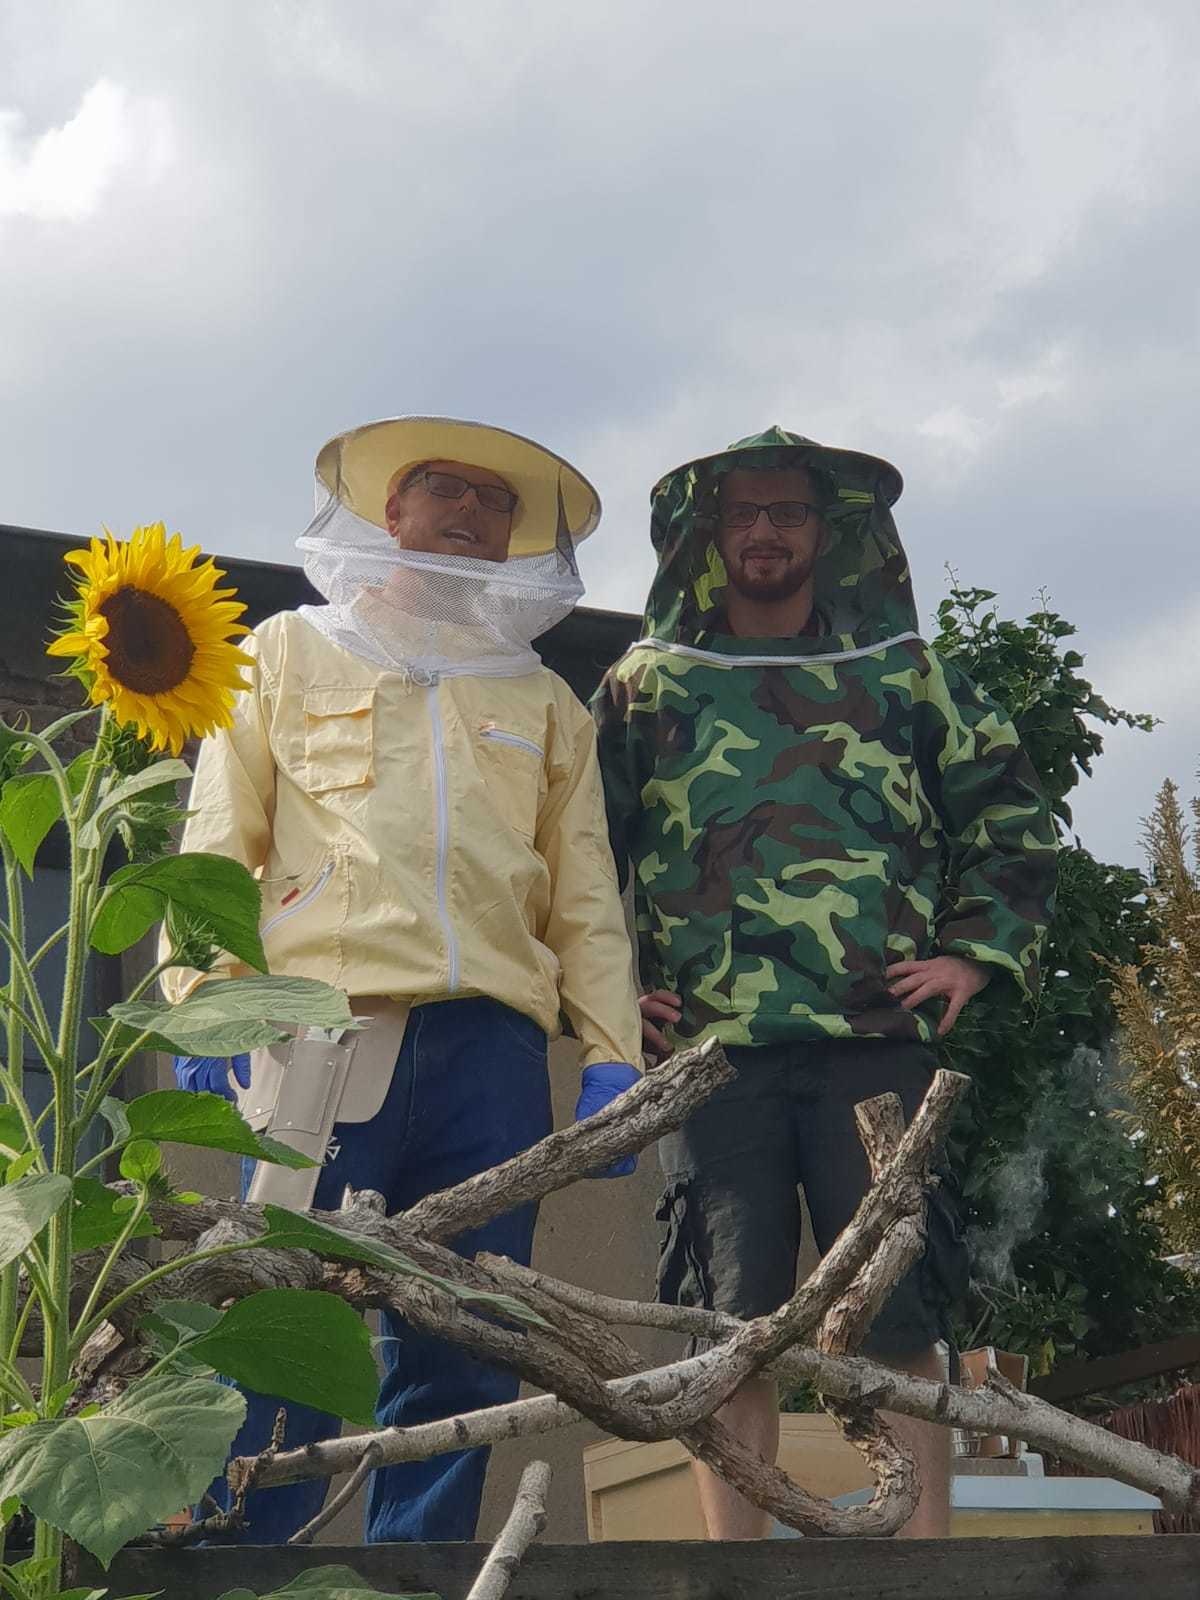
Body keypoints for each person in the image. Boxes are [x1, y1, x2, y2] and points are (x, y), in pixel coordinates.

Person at [165, 416, 644, 1544]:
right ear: (391, 510)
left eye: (495, 500)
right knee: (283, 1319)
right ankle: (249, 1564)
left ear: (517, 537)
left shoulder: (546, 701)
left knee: (467, 1334)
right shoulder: (286, 650)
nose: (468, 511)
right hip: (321, 1036)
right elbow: (215, 845)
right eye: (442, 488)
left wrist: (613, 1057)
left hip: (492, 1053)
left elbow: (585, 900)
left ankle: (417, 1570)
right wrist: (204, 1005)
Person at [592, 426, 1057, 1539]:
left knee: (896, 1317)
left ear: (830, 531)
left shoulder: (904, 675)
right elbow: (572, 853)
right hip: (710, 1055)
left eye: (788, 513)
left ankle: (920, 1568)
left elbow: (1012, 814)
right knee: (727, 1328)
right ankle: (734, 1575)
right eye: (744, 513)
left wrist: (973, 951)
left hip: (875, 1046)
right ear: (710, 533)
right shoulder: (648, 685)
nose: (765, 531)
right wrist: (609, 994)